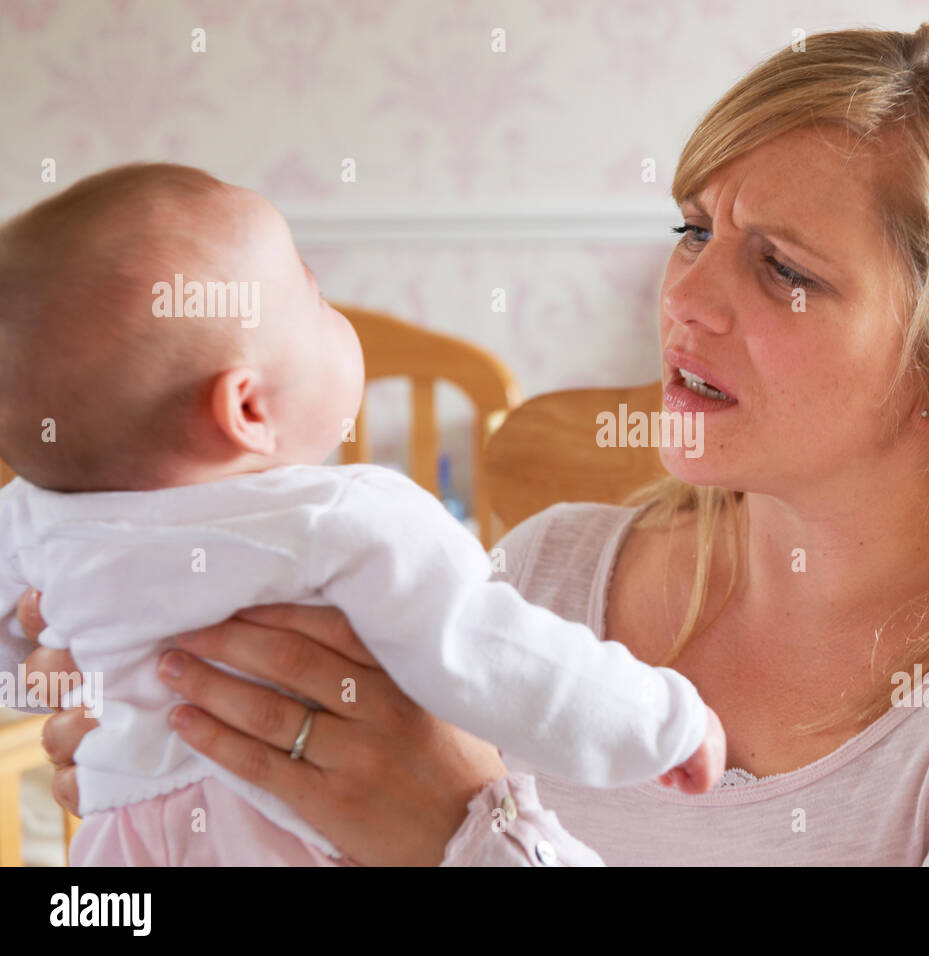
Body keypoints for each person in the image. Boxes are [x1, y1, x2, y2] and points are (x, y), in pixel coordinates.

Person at [20, 20, 929, 866]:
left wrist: (469, 836)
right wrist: (200, 760)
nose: (685, 293)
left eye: (781, 268)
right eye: (693, 227)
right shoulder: (546, 574)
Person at [0, 163, 724, 866]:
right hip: (287, 835)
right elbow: (494, 654)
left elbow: (16, 654)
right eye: (316, 299)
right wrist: (661, 721)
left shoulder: (32, 517)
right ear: (248, 408)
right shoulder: (342, 520)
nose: (337, 314)